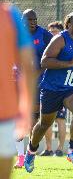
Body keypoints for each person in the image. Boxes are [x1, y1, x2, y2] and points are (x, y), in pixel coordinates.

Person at [24, 12, 73, 173]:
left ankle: (72, 150)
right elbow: (45, 61)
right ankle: (31, 151)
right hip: (52, 89)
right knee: (44, 124)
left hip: (72, 88)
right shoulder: (60, 39)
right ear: (69, 25)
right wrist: (70, 63)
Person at [14, 9, 53, 168]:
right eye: (30, 19)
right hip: (20, 82)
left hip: (40, 83)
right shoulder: (16, 35)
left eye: (35, 19)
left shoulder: (44, 35)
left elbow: (52, 54)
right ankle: (20, 157)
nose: (33, 22)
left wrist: (39, 72)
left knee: (33, 120)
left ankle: (30, 153)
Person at [0, 2, 35, 179]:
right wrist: (25, 110)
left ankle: (21, 157)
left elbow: (27, 68)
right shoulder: (10, 15)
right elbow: (29, 68)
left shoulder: (11, 15)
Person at [40, 21, 67, 157]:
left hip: (62, 87)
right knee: (46, 119)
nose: (52, 35)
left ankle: (60, 149)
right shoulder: (48, 47)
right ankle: (48, 148)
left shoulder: (64, 46)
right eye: (50, 33)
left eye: (55, 33)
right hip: (47, 86)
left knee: (60, 120)